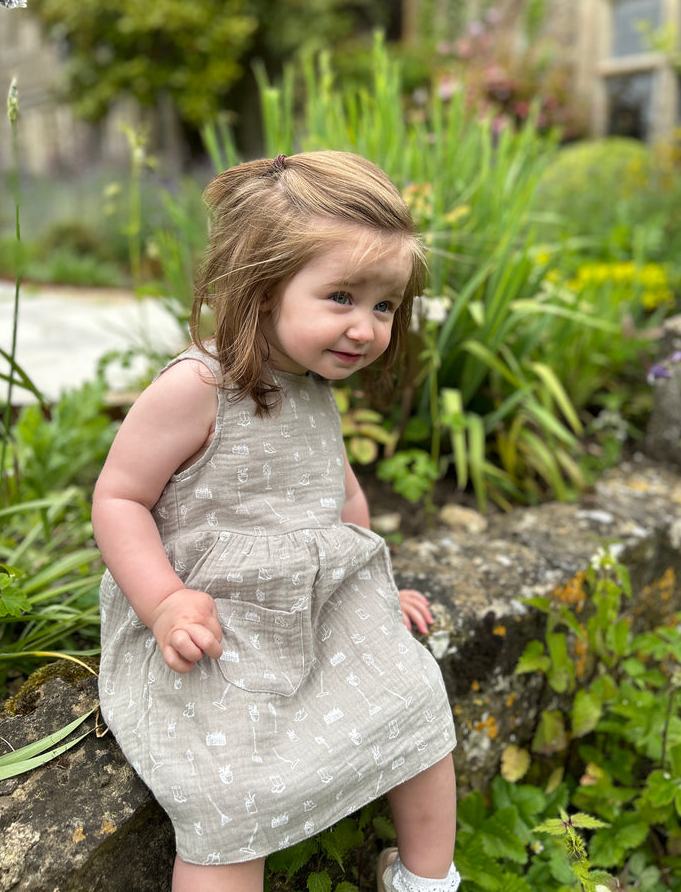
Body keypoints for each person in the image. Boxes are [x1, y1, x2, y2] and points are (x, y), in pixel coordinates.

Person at [92, 151, 460, 892]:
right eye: (342, 297)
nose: (366, 327)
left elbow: (339, 493)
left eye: (384, 306)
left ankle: (426, 878)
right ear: (262, 291)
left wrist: (375, 588)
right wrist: (163, 602)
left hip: (310, 601)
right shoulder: (200, 386)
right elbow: (118, 499)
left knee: (414, 698)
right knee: (227, 782)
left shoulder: (313, 385)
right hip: (210, 617)